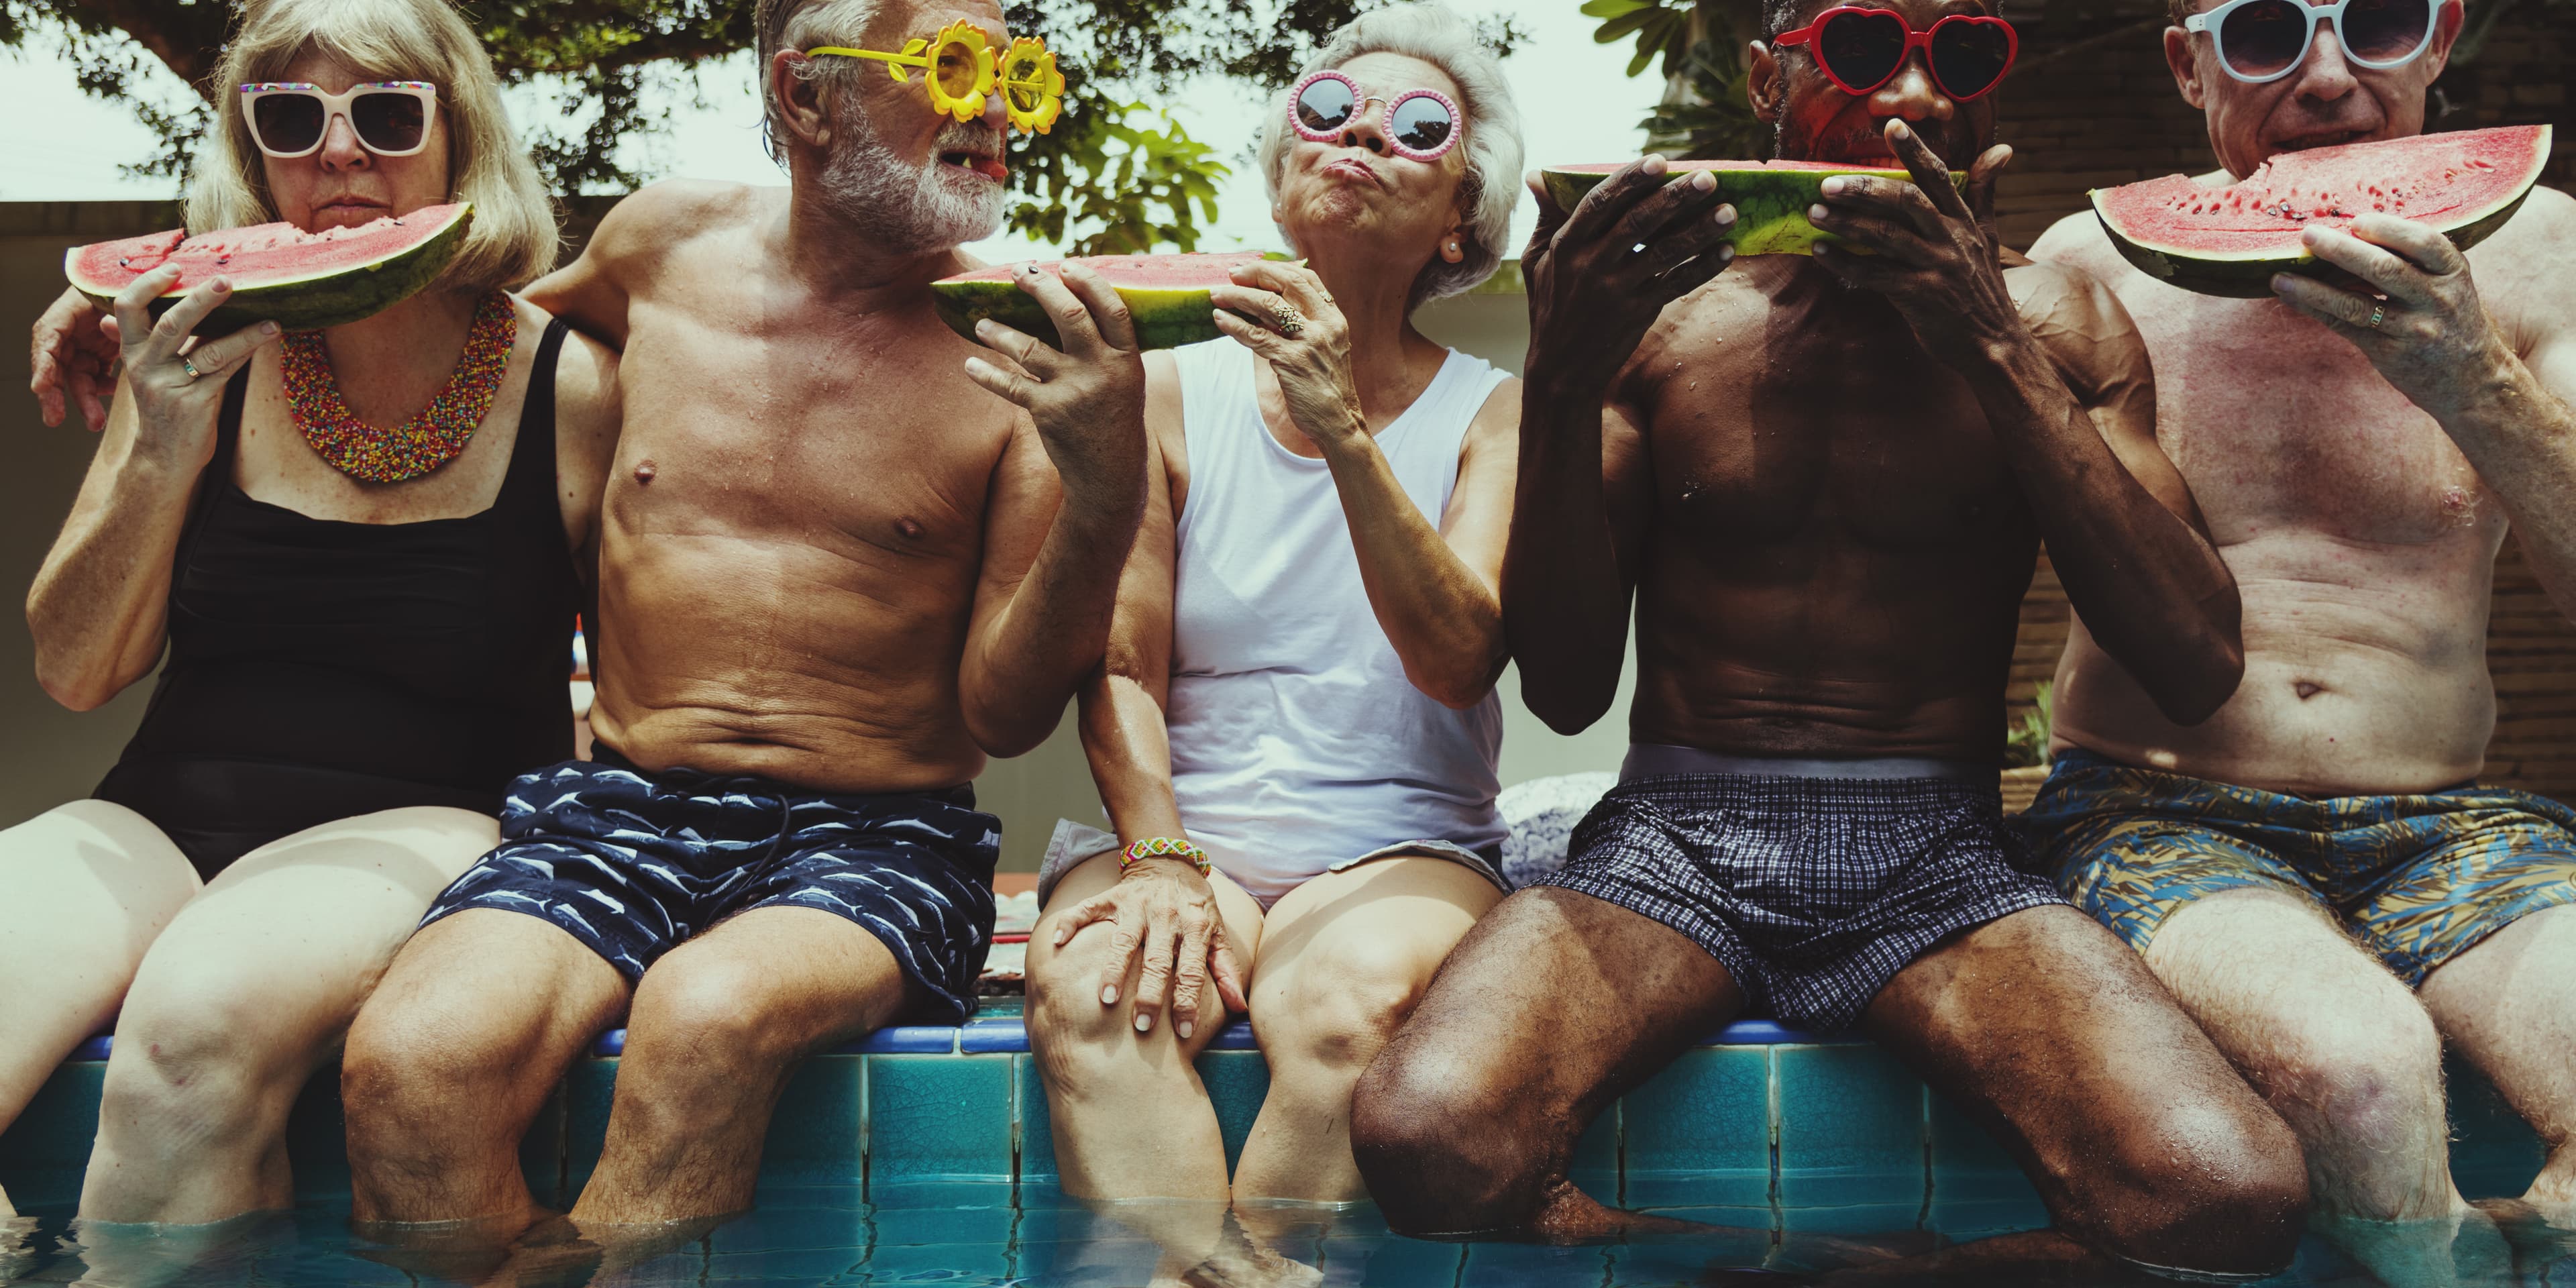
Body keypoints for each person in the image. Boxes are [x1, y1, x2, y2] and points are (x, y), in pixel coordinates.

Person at [1346, 0, 2319, 1275]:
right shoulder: (1665, 325)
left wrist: (1989, 342)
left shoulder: (2060, 322)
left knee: (2224, 1198)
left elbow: (2197, 664)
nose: (1915, 93)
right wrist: (1565, 379)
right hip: (1678, 838)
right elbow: (1573, 691)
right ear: (1766, 77)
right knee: (1430, 1142)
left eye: (1963, 55)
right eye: (1863, 50)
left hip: (1939, 855)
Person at [326, 0, 1142, 1244]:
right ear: (806, 96)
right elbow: (472, 366)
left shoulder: (1020, 347)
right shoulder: (662, 243)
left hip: (880, 836)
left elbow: (1006, 712)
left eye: (1016, 69)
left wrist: (1102, 491)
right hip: (620, 805)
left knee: (706, 1019)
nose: (993, 105)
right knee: (410, 1070)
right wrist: (212, 321)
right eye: (953, 65)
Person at [4, 0, 617, 1226]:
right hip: (160, 815)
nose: (340, 154)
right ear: (253, 151)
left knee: (191, 1037)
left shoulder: (577, 383)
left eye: (387, 116)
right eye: (290, 119)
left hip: (435, 821)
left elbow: (643, 683)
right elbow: (74, 672)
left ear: (460, 139)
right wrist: (161, 445)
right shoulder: (192, 357)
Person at [2019, 0, 2576, 1242]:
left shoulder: (2549, 251)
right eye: (2267, 34)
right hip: (2153, 812)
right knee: (2362, 1077)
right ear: (2186, 64)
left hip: (2450, 824)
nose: (2328, 77)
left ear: (2442, 42)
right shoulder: (2087, 267)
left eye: (2379, 23)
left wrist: (2473, 380)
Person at [1018, 1, 1521, 1269]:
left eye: (1416, 128)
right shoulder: (1171, 389)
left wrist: (1343, 428)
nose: (1358, 134)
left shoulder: (1489, 413)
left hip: (1401, 843)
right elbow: (1120, 665)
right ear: (1284, 163)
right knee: (1096, 996)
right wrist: (1165, 858)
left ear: (1460, 213)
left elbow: (1459, 657)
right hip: (1184, 831)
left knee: (1344, 1012)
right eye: (1326, 109)